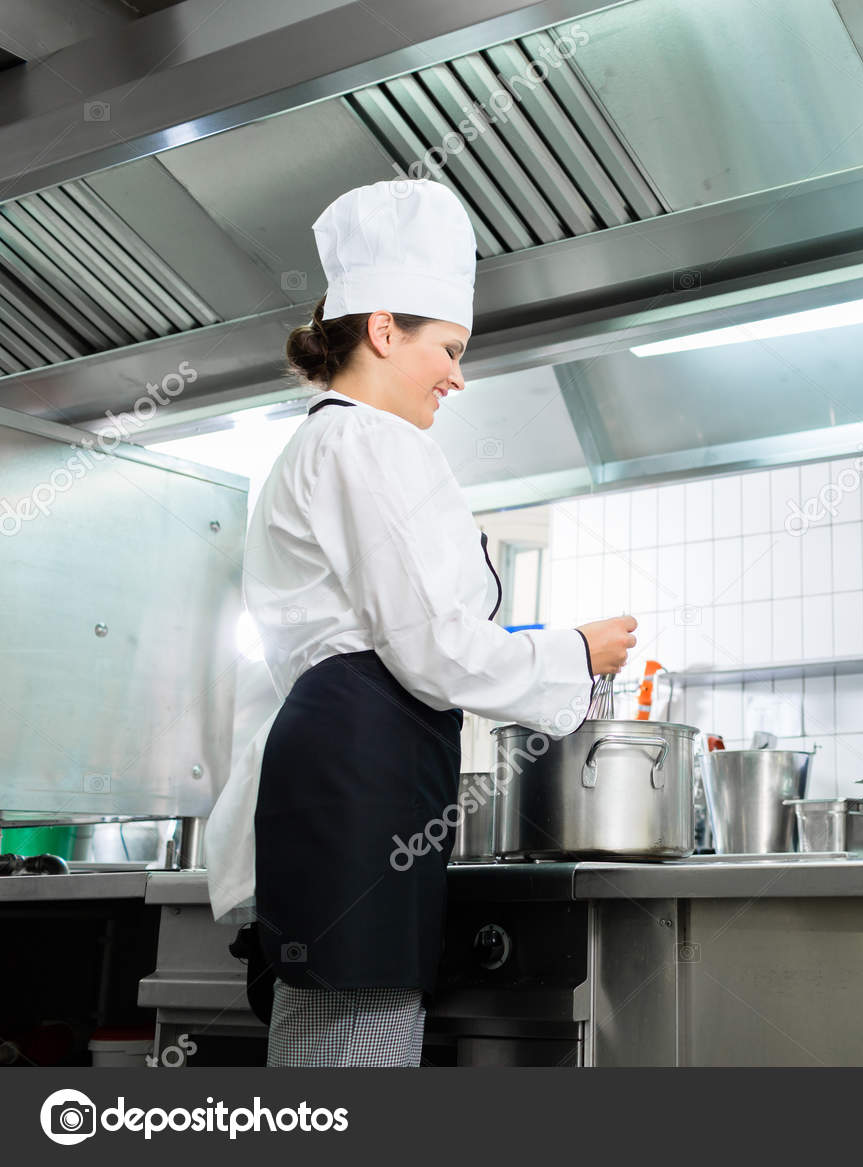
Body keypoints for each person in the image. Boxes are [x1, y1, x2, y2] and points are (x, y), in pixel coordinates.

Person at [204, 179, 636, 1067]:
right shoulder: (369, 441)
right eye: (448, 345)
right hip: (358, 775)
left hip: (355, 774)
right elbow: (432, 647)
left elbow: (408, 633)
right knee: (354, 1049)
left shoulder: (326, 441)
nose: (458, 373)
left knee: (340, 1038)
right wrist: (574, 653)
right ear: (383, 329)